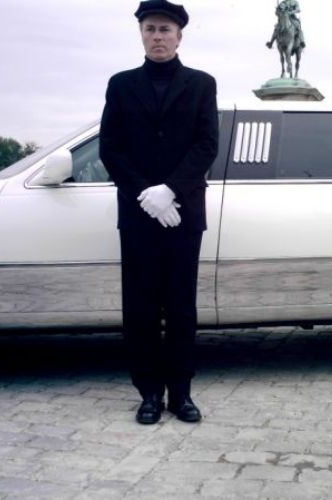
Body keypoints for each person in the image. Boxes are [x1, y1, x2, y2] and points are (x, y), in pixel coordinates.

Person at [100, 0, 218, 424]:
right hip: (138, 215)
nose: (157, 36)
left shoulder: (202, 84)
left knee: (182, 307)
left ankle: (181, 393)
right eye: (150, 29)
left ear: (179, 36)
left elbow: (206, 144)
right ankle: (149, 393)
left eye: (165, 29)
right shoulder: (121, 84)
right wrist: (145, 194)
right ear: (141, 34)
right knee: (141, 307)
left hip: (183, 212)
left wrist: (169, 190)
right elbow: (110, 146)